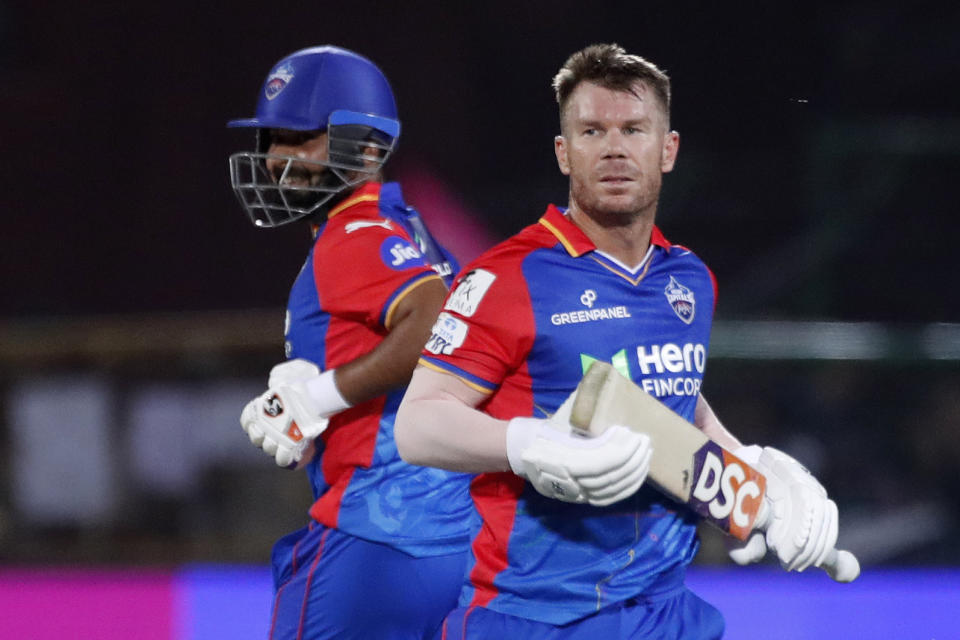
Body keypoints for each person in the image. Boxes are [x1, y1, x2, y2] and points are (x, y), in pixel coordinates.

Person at [395, 43, 843, 639]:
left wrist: (758, 477)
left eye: (634, 129)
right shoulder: (506, 277)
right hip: (532, 617)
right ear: (563, 152)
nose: (613, 147)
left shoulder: (690, 280)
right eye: (591, 130)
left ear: (668, 149)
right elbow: (418, 423)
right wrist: (527, 443)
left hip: (667, 615)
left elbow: (674, 402)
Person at [228, 45, 477, 640]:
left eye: (300, 138)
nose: (276, 160)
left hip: (375, 535)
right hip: (455, 537)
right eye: (273, 140)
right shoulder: (408, 229)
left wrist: (319, 398)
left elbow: (432, 322)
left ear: (367, 146)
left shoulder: (353, 232)